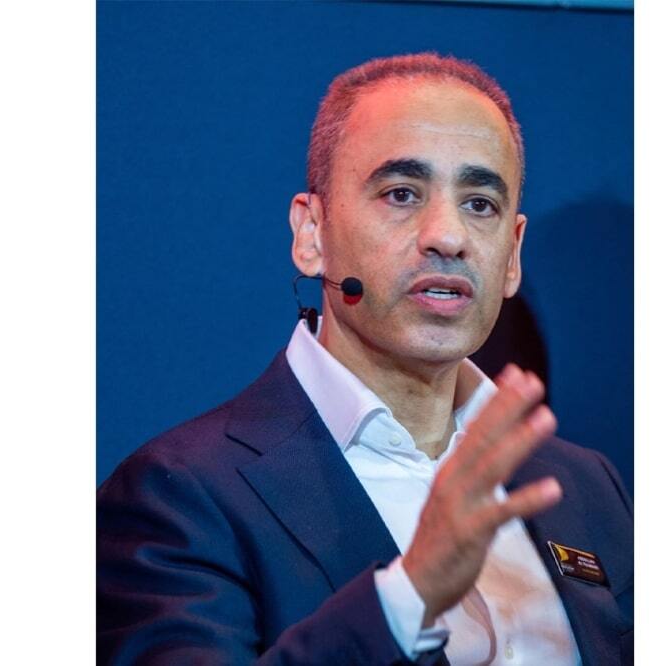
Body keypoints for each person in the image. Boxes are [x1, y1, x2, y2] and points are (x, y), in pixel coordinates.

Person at [97, 53, 633, 665]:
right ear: (312, 234)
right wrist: (410, 598)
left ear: (511, 255)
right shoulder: (179, 497)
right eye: (401, 193)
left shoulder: (587, 485)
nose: (448, 236)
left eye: (480, 203)